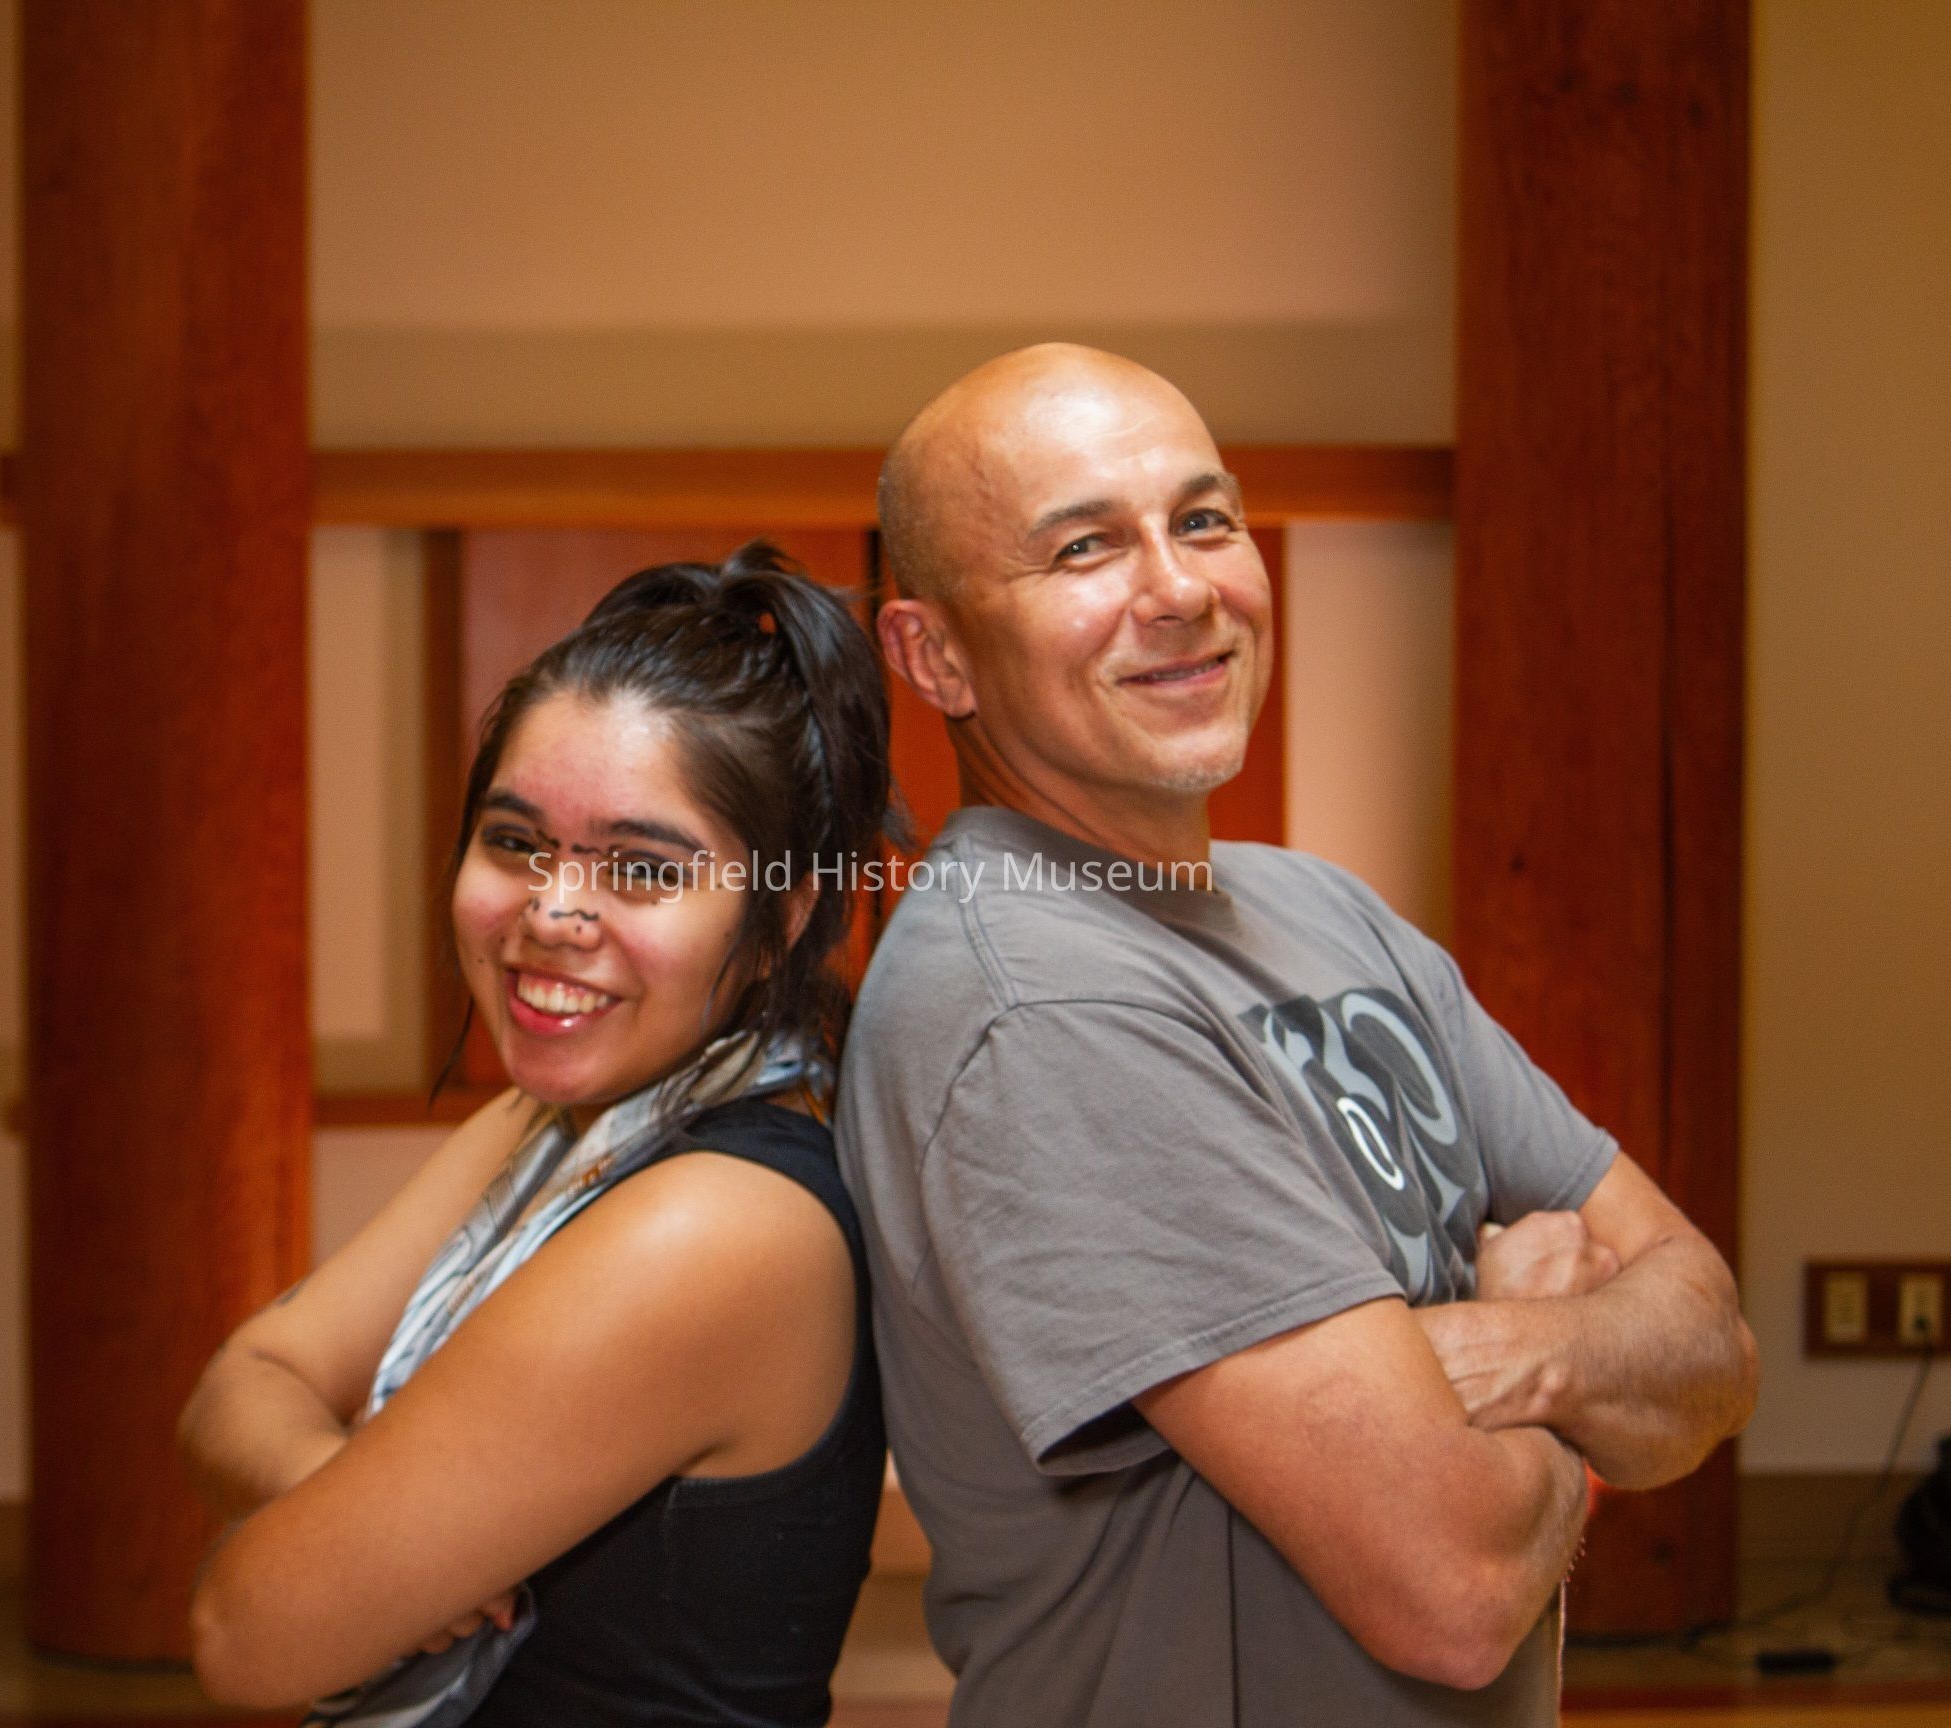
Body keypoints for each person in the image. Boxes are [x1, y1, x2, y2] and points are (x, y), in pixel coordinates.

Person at [837, 344, 1760, 1725]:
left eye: (1204, 519)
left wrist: (1512, 1353)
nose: (1180, 589)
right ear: (935, 654)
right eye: (1085, 548)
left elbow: (1714, 1336)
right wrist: (1562, 1342)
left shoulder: (1325, 911)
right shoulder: (1038, 1005)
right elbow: (1451, 1585)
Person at [180, 544, 894, 1727]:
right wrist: (348, 1504)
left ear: (780, 921)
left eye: (642, 868)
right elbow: (246, 1380)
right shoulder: (556, 1119)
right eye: (515, 842)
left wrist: (345, 1545)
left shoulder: (715, 1224)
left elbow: (245, 1634)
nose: (552, 912)